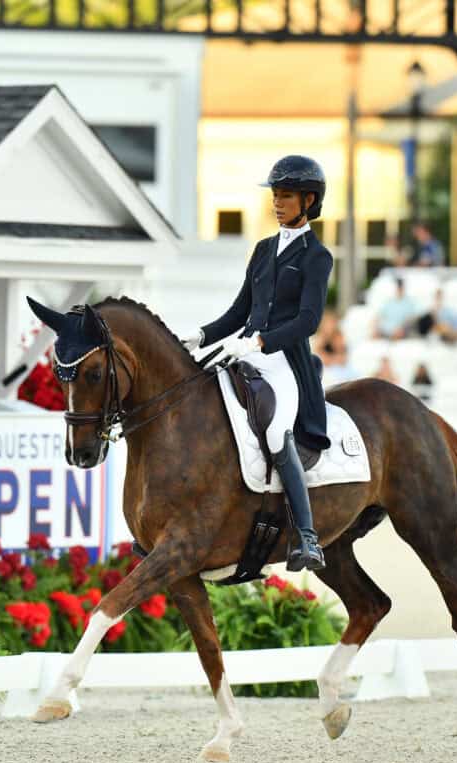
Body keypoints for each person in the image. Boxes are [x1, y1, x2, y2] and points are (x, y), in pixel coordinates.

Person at [182, 155, 331, 573]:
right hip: (245, 351)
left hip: (284, 362)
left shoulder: (316, 257)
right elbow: (238, 312)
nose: (278, 203)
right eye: (276, 196)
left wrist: (262, 341)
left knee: (275, 430)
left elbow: (308, 320)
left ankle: (307, 536)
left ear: (308, 200)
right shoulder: (264, 249)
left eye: (285, 196)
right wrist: (200, 335)